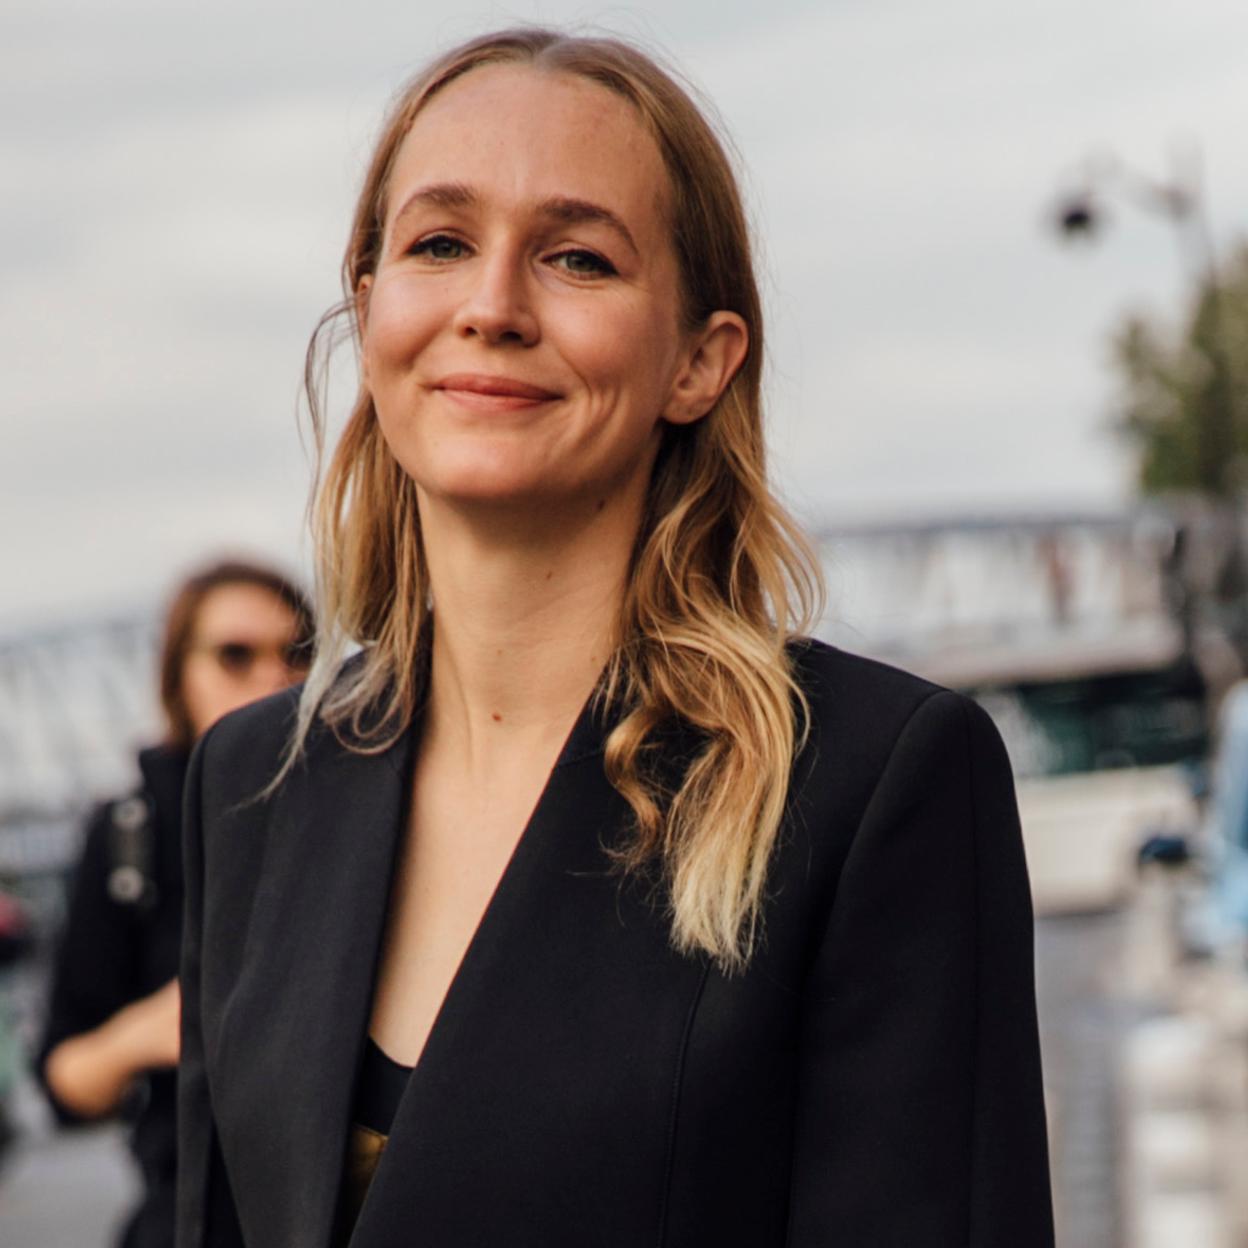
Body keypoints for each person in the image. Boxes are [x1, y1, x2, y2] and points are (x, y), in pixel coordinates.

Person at [177, 28, 1054, 1248]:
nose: (491, 307)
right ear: (370, 311)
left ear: (699, 361)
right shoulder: (254, 787)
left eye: (578, 258)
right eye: (438, 242)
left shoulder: (874, 784)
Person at [38, 560, 313, 1248]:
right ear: (175, 675)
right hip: (190, 1209)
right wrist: (154, 1029)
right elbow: (67, 1081)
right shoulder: (131, 834)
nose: (272, 676)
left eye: (299, 652)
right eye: (234, 655)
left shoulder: (368, 813)